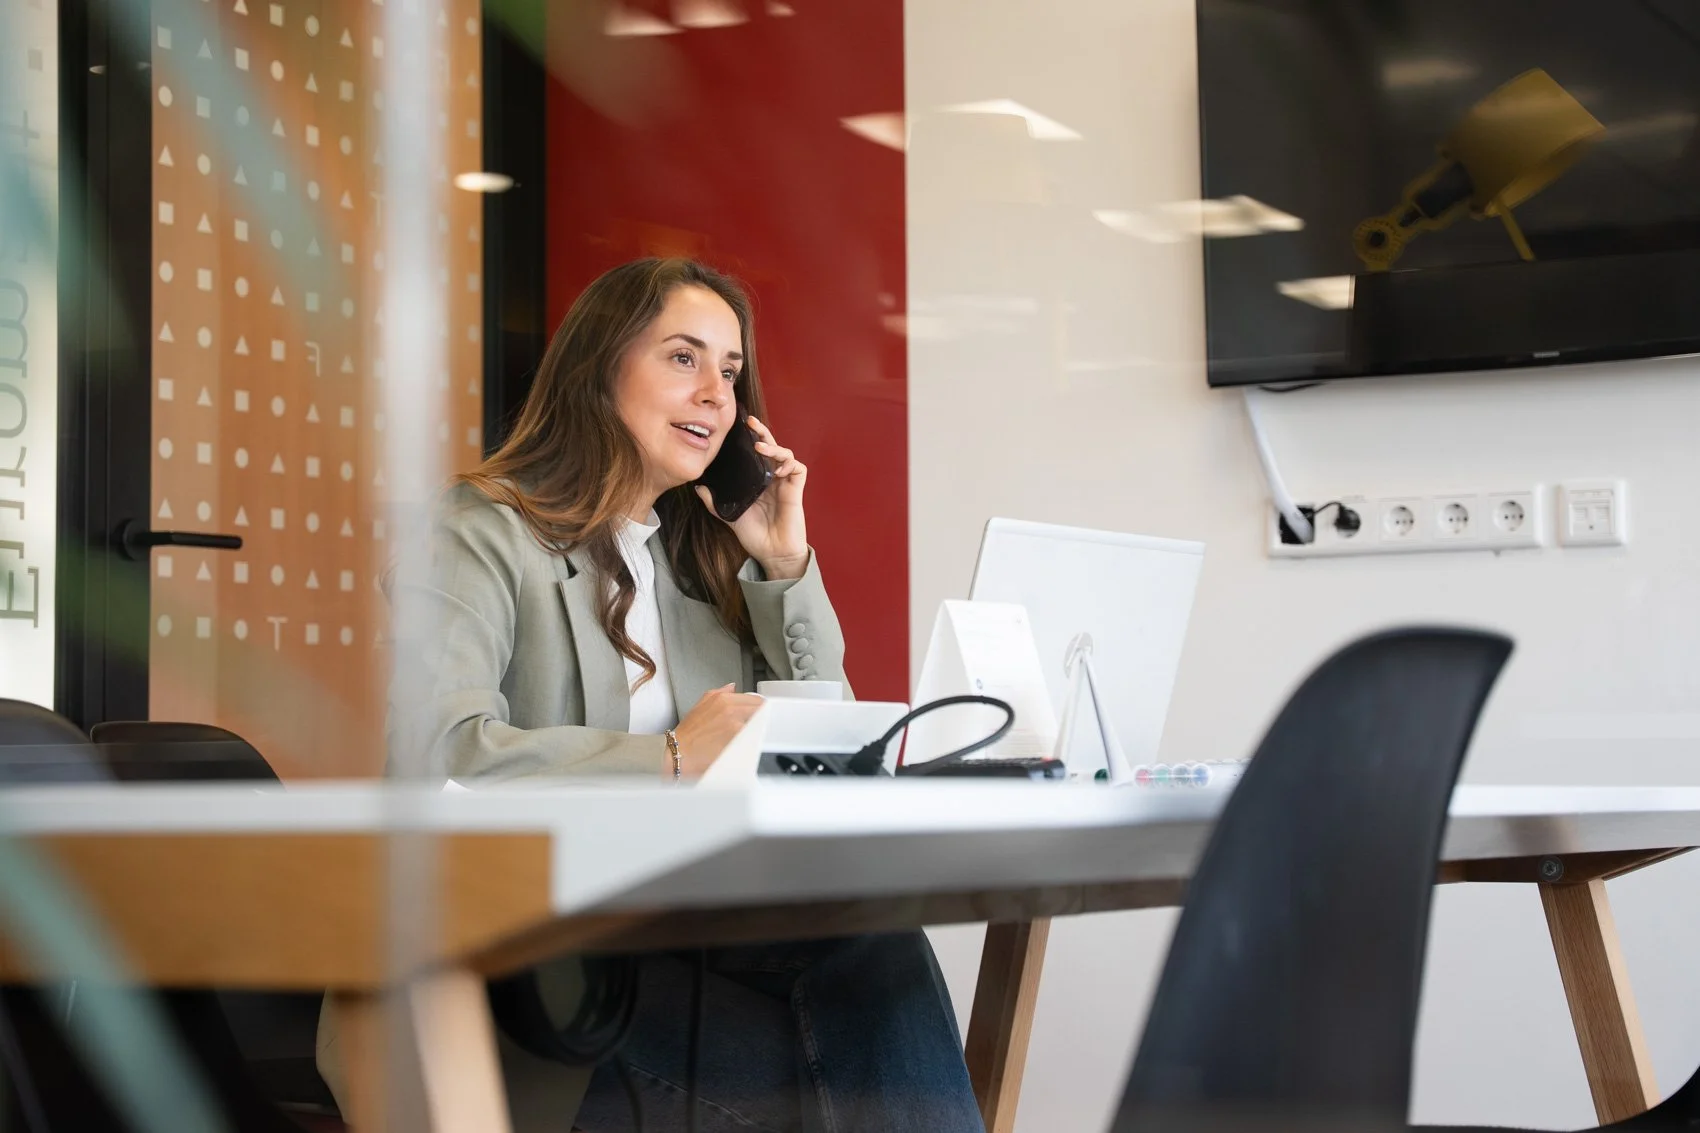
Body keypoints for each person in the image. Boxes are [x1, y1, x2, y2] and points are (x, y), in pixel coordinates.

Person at [337, 258, 984, 1133]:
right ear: (600, 368)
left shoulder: (687, 567)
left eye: (729, 370)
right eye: (684, 357)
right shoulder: (478, 529)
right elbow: (437, 753)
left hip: (677, 942)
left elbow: (814, 748)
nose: (717, 393)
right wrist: (670, 757)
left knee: (874, 955)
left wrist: (783, 563)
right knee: (826, 1076)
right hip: (525, 973)